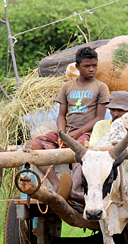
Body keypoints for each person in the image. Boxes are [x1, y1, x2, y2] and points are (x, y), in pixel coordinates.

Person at [26, 46, 109, 192]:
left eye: (94, 65)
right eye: (87, 66)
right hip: (67, 131)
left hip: (87, 133)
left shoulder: (101, 87)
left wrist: (78, 133)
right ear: (77, 66)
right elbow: (61, 116)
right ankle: (56, 183)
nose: (91, 69)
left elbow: (99, 118)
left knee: (81, 151)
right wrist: (61, 133)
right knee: (31, 146)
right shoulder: (67, 87)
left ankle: (75, 189)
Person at [67, 91, 128, 206]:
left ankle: (73, 195)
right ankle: (71, 193)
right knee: (86, 160)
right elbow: (93, 149)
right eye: (113, 110)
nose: (116, 114)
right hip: (100, 167)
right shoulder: (101, 125)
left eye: (121, 111)